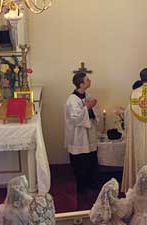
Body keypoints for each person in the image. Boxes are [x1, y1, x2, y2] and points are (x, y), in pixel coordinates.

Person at [64, 71, 98, 209]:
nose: (89, 81)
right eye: (87, 79)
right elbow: (75, 118)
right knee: (80, 163)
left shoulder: (87, 95)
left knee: (90, 160)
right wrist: (87, 107)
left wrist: (92, 108)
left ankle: (91, 184)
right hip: (78, 137)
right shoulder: (72, 100)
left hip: (88, 136)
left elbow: (91, 113)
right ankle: (81, 187)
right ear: (81, 84)